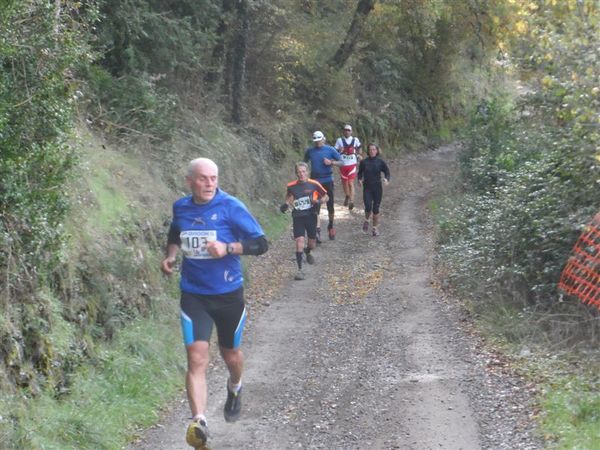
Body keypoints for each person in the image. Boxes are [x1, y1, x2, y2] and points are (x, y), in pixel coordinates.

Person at [161, 157, 268, 449]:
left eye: (214, 178)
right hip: (194, 294)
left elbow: (261, 243)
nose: (209, 184)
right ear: (189, 181)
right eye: (203, 178)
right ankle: (199, 423)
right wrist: (171, 255)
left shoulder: (231, 207)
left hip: (228, 294)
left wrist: (229, 247)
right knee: (196, 357)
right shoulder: (181, 207)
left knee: (230, 355)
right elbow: (176, 232)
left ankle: (235, 386)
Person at [280, 162, 328, 280]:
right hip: (298, 216)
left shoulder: (314, 184)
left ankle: (308, 251)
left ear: (307, 172)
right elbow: (289, 196)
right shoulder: (291, 185)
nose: (301, 174)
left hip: (311, 216)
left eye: (303, 171)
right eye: (299, 172)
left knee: (312, 243)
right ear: (296, 173)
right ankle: (300, 270)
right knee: (299, 241)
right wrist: (286, 204)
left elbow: (326, 196)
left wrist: (318, 202)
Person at [303, 130, 343, 241]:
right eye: (315, 141)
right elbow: (304, 163)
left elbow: (342, 162)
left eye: (319, 141)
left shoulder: (330, 150)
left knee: (330, 205)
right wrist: (304, 175)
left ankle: (331, 226)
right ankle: (317, 231)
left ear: (323, 139)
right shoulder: (310, 151)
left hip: (327, 180)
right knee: (316, 206)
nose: (317, 143)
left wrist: (332, 163)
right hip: (315, 181)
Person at [357, 143, 390, 236]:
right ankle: (367, 220)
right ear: (368, 151)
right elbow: (359, 173)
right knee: (368, 207)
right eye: (370, 149)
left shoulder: (380, 162)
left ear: (377, 151)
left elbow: (387, 172)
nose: (372, 151)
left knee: (376, 209)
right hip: (367, 188)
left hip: (377, 188)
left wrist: (386, 179)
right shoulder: (364, 162)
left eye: (374, 149)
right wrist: (359, 180)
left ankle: (375, 228)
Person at [334, 124, 362, 211]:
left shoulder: (355, 140)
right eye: (345, 130)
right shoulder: (339, 140)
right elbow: (334, 151)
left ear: (351, 131)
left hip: (352, 164)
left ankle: (351, 201)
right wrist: (340, 151)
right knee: (344, 183)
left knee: (350, 183)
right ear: (343, 131)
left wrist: (358, 155)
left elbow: (359, 148)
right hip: (342, 164)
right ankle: (347, 195)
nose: (347, 131)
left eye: (348, 130)